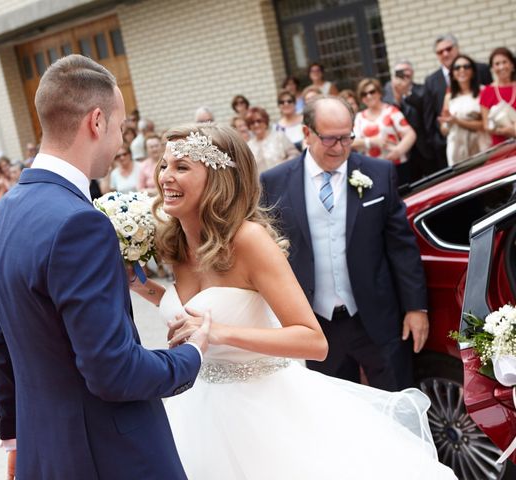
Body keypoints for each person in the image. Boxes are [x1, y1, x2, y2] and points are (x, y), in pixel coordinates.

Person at [130, 122, 455, 479]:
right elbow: (194, 309)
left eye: (181, 167)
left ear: (217, 177)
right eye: (164, 165)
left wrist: (218, 333)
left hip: (265, 413)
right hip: (198, 405)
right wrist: (140, 285)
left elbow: (313, 341)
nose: (165, 177)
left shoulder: (249, 240)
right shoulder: (176, 241)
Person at [0, 54, 209, 480]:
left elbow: (0, 344)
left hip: (43, 451)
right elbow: (113, 372)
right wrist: (191, 356)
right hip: (109, 455)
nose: (121, 140)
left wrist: (15, 439)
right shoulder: (80, 223)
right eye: (120, 127)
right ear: (96, 122)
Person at [262, 96, 429, 392]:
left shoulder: (378, 173)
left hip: (377, 318)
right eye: (329, 139)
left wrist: (417, 308)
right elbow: (267, 252)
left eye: (346, 138)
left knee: (397, 404)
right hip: (317, 324)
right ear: (307, 133)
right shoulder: (274, 182)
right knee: (338, 415)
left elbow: (401, 247)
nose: (339, 148)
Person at [423, 34, 492, 171]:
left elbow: (490, 113)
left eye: (448, 48)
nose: (445, 53)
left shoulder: (481, 70)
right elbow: (432, 118)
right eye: (440, 52)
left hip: (482, 143)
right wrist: (441, 141)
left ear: (457, 47)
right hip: (454, 147)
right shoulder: (432, 81)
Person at [353, 78, 416, 185]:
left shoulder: (391, 111)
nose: (369, 96)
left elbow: (410, 134)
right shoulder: (359, 117)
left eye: (372, 92)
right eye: (364, 94)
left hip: (396, 165)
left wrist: (399, 151)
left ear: (379, 93)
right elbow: (352, 142)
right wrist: (371, 141)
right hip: (372, 169)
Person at [383, 60, 435, 181]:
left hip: (424, 148)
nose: (404, 75)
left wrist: (407, 92)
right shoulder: (388, 93)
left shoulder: (421, 90)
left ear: (412, 73)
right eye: (400, 73)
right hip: (403, 151)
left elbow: (426, 116)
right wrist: (397, 94)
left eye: (407, 71)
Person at [438, 55, 491, 165]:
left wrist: (457, 121)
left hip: (479, 145)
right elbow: (444, 130)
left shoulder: (483, 91)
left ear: (473, 71)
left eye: (466, 66)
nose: (462, 70)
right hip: (456, 148)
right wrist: (447, 123)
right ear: (452, 74)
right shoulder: (449, 97)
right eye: (457, 67)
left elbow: (485, 124)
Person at [480, 47, 516, 146]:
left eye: (505, 62)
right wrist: (505, 131)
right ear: (492, 68)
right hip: (501, 147)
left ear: (512, 64)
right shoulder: (487, 92)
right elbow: (486, 125)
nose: (501, 67)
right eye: (497, 64)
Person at [245, 106, 298, 173]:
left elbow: (295, 155)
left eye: (259, 121)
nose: (256, 125)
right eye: (252, 122)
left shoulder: (279, 136)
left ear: (265, 121)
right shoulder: (249, 146)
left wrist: (284, 166)